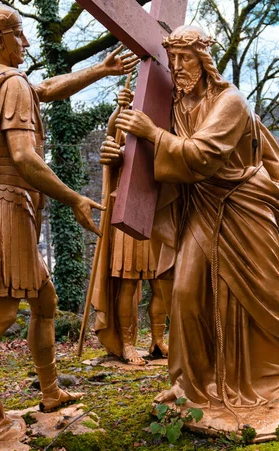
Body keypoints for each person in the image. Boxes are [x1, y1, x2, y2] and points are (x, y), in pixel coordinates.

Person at [0, 0, 137, 451]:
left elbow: (46, 89)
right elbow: (23, 158)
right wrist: (75, 197)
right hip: (6, 213)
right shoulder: (9, 82)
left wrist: (99, 71)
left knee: (45, 302)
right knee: (0, 313)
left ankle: (50, 391)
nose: (25, 41)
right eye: (18, 34)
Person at [115, 25, 279, 414]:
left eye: (185, 58)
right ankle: (189, 382)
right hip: (203, 207)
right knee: (187, 295)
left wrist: (152, 134)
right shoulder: (174, 104)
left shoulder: (231, 102)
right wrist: (119, 155)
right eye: (172, 59)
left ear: (205, 61)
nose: (177, 67)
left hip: (244, 207)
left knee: (261, 296)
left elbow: (201, 156)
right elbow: (153, 156)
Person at [94, 87, 169, 365]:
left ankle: (159, 341)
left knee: (160, 284)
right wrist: (120, 108)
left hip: (155, 214)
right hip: (127, 214)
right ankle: (127, 344)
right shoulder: (122, 140)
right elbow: (113, 135)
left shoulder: (159, 135)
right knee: (128, 284)